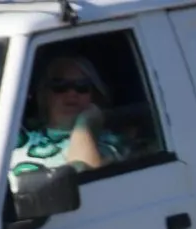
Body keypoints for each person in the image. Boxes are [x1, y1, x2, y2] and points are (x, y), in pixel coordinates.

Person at [9, 54, 126, 186]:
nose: (71, 93)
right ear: (44, 94)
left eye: (82, 86)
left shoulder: (107, 142)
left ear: (94, 96)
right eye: (59, 85)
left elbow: (86, 185)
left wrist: (84, 124)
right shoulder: (16, 137)